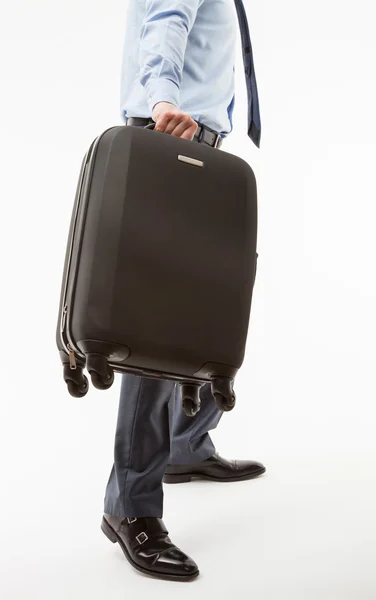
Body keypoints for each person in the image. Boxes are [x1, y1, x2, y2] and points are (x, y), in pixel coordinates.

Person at [101, 0, 264, 582]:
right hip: (171, 134)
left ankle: (186, 443)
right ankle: (132, 506)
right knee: (159, 326)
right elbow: (166, 21)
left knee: (214, 301)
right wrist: (163, 98)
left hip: (195, 141)